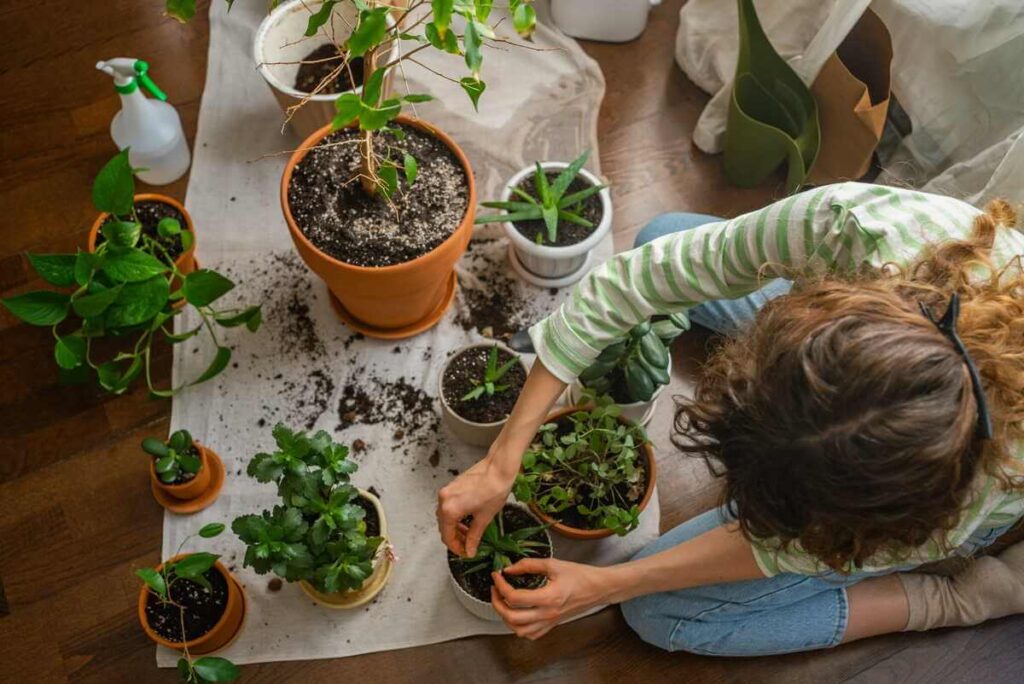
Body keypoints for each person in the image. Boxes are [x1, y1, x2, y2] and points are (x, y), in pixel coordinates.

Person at [436, 182, 1024, 655]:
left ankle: (956, 599)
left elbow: (780, 549)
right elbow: (636, 279)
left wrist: (604, 584)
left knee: (655, 613)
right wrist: (504, 455)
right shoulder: (852, 225)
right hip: (866, 301)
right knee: (662, 238)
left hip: (962, 499)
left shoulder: (943, 500)